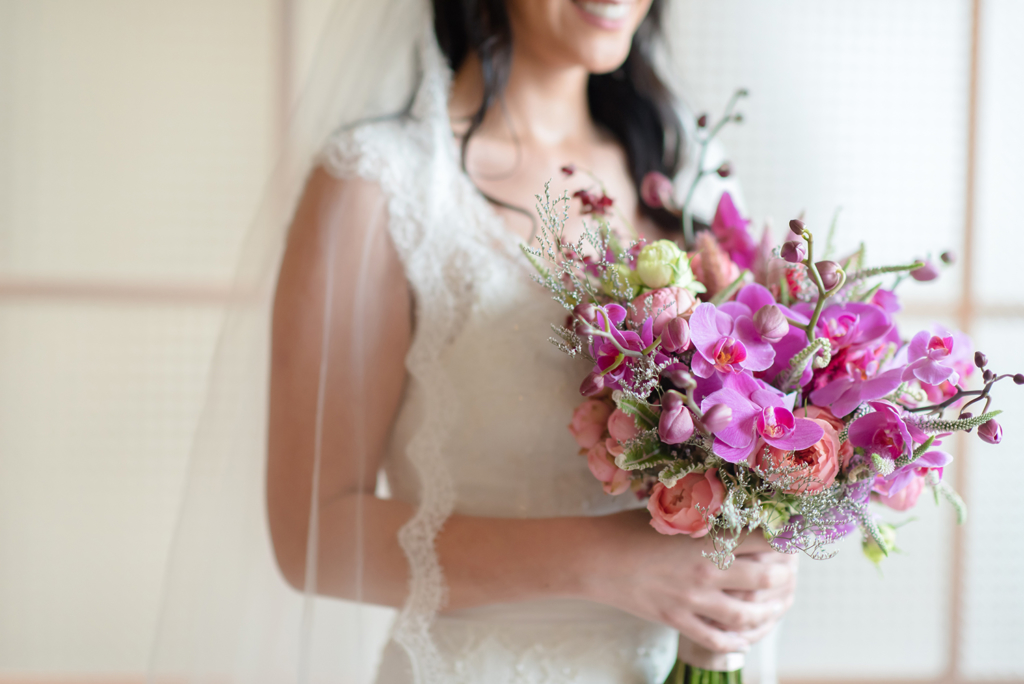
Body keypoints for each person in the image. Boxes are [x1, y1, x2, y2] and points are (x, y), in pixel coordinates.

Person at [266, 0, 798, 682]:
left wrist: (761, 559)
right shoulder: (380, 186)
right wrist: (614, 562)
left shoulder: (689, 171)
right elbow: (312, 534)